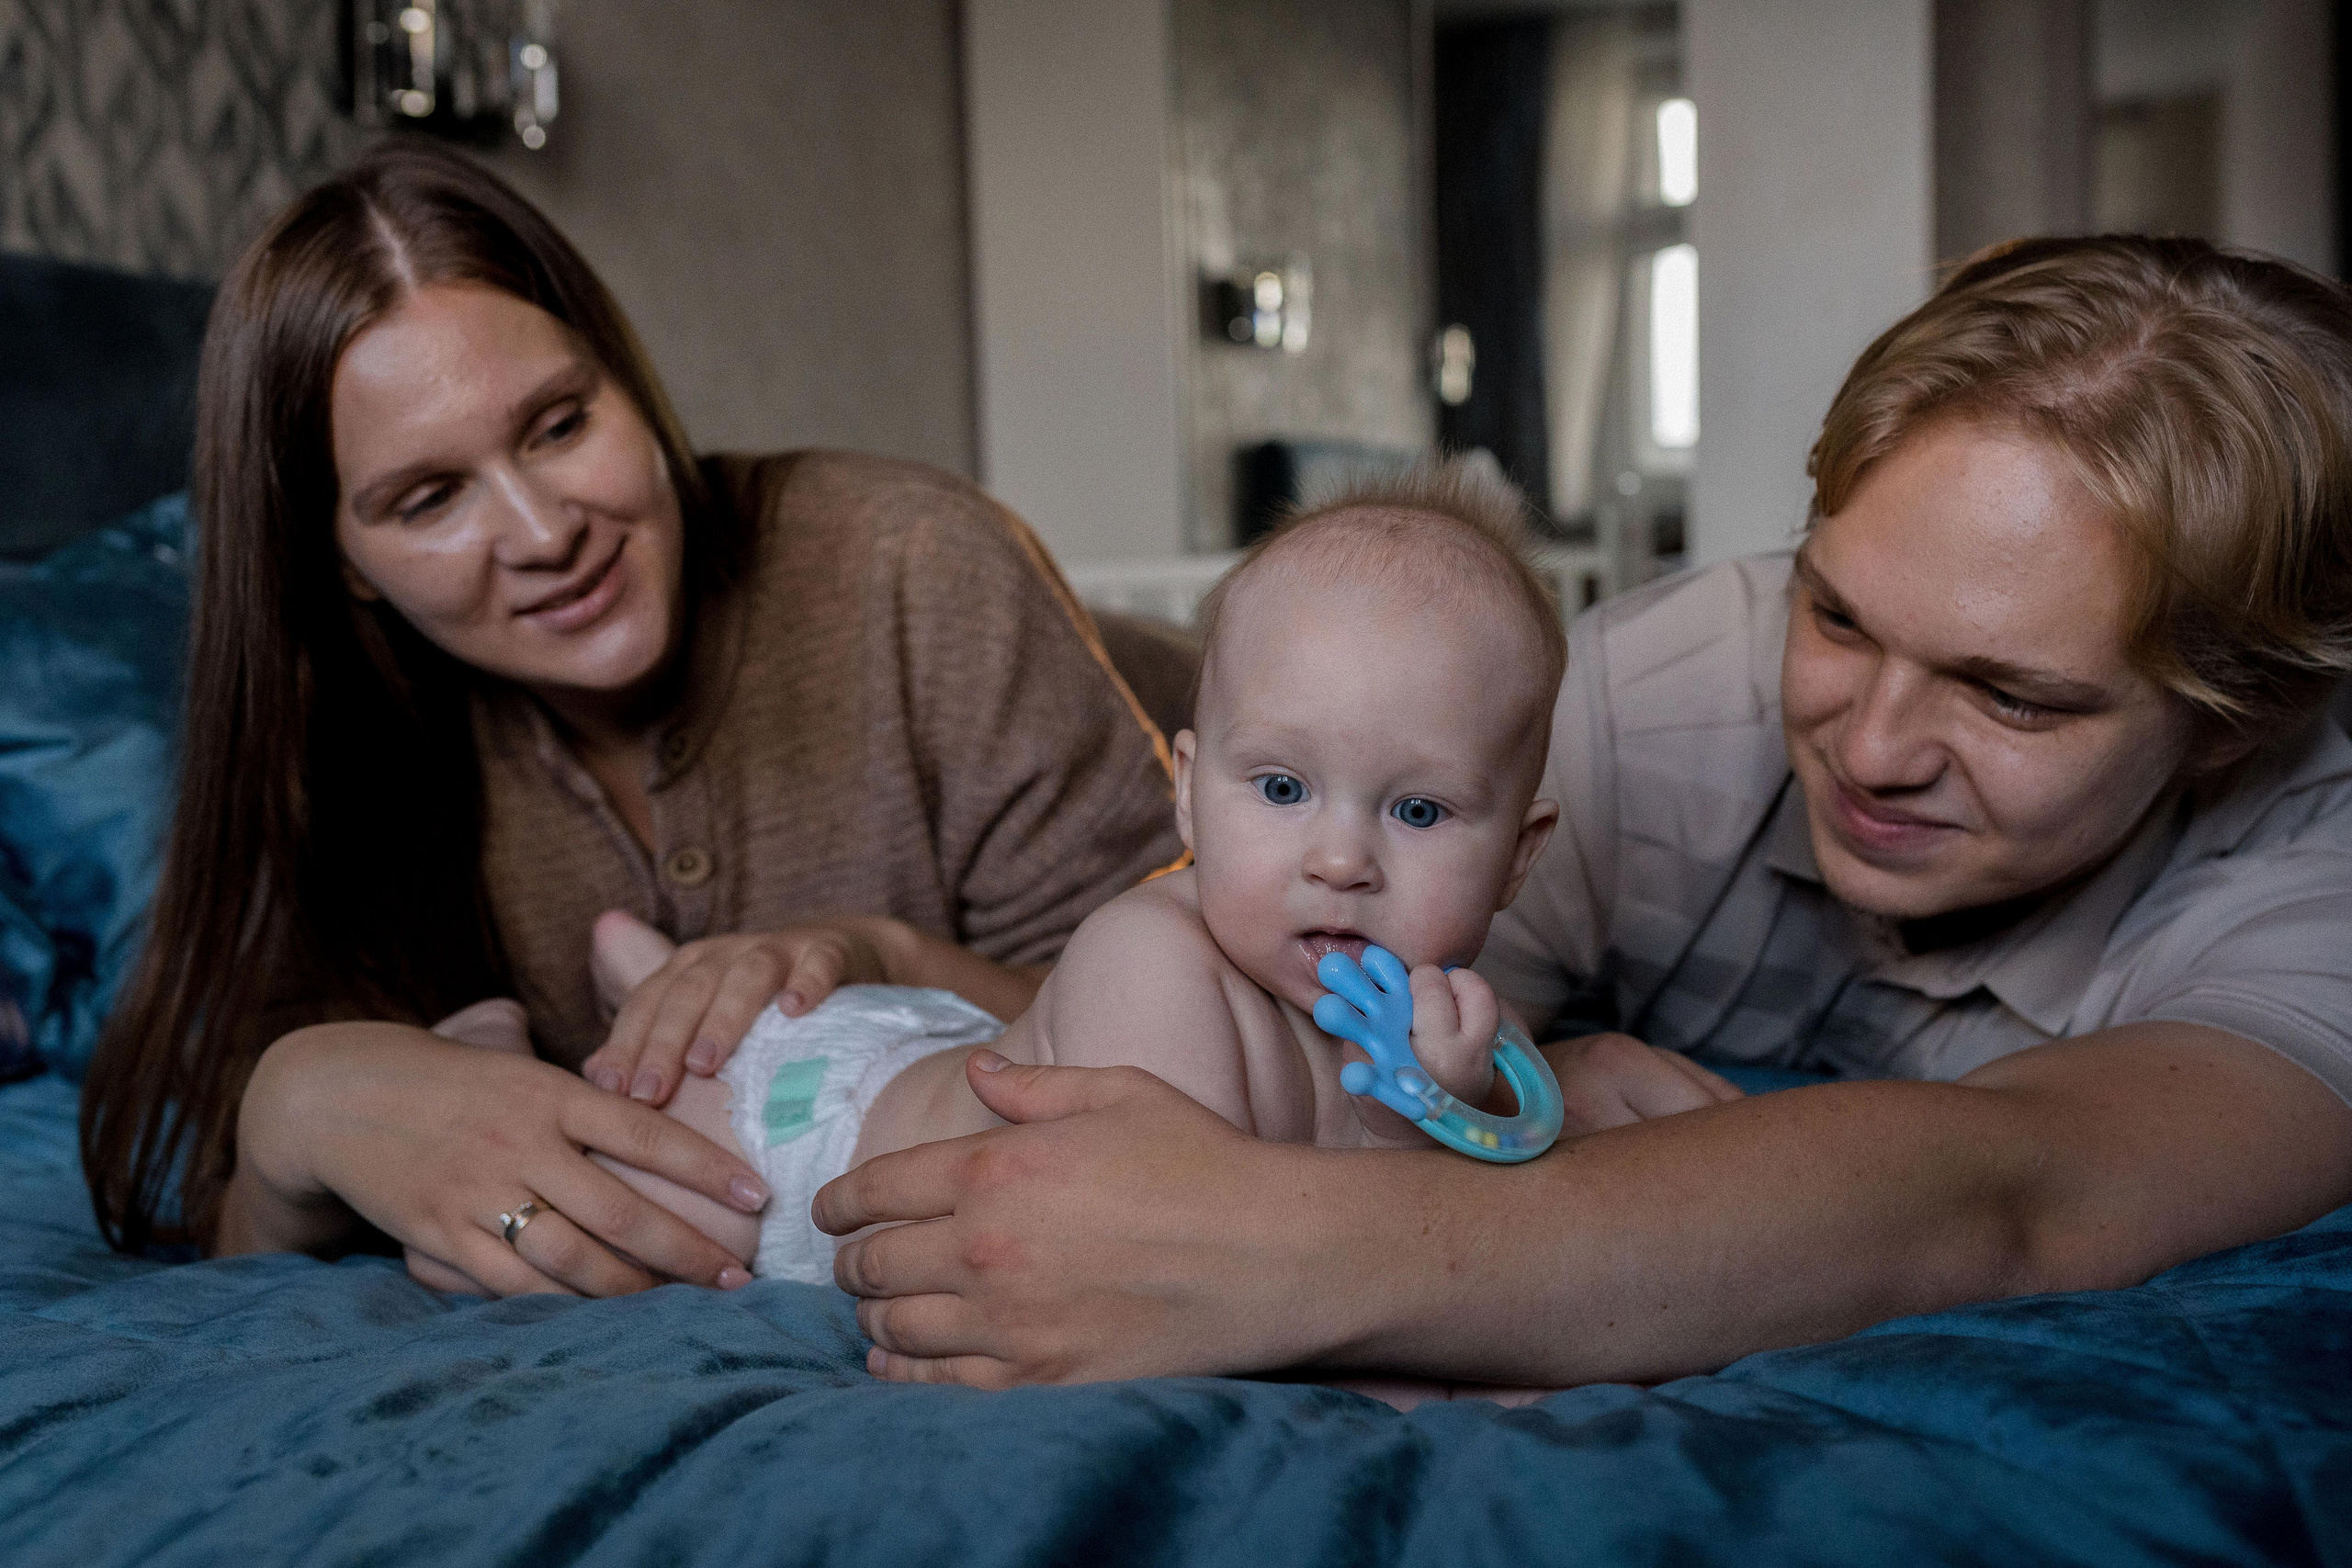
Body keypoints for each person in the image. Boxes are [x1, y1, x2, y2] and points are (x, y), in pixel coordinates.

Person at [815, 235, 2352, 1391]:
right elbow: (1261, 999)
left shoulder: (2319, 884)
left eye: (2011, 697)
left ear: (2241, 720)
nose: (1872, 745)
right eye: (1834, 614)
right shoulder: (1639, 696)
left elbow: (2021, 1193)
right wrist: (888, 957)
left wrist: (1263, 1259)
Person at [77, 140, 1184, 1300]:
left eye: (559, 425)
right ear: (344, 562)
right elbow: (226, 1246)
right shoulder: (335, 742)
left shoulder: (917, 565)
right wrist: (295, 1107)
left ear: (629, 383)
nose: (544, 532)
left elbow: (1217, 1029)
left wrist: (891, 954)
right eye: (430, 497)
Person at [447, 470, 1581, 1285]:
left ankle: (653, 978)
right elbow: (1204, 1253)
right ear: (1189, 794)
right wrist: (1402, 1136)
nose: (1339, 861)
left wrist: (1443, 1104)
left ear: (1516, 859)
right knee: (623, 1210)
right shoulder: (1153, 963)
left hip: (939, 1039)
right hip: (806, 1134)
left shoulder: (1465, 1026)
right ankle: (506, 1051)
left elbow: (1448, 1226)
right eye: (1281, 788)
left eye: (1418, 811)